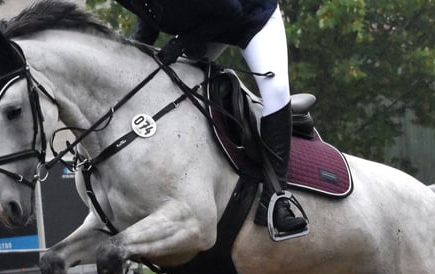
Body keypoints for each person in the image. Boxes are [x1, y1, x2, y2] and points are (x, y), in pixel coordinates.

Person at [114, 0, 309, 240]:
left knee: (276, 90)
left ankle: (277, 199)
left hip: (251, 18)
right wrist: (135, 52)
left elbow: (232, 13)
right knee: (170, 83)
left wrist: (181, 43)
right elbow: (149, 14)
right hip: (208, 19)